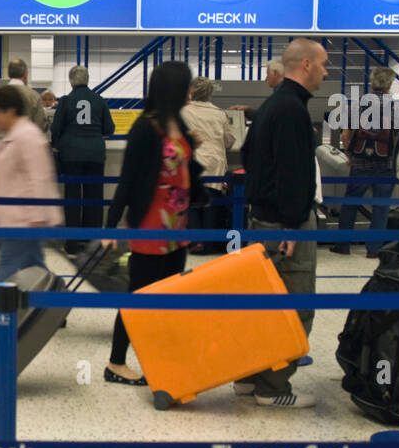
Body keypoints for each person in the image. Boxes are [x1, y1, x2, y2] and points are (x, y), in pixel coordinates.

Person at [236, 38, 328, 409]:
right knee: (294, 306)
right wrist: (291, 224)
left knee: (261, 306)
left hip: (263, 220)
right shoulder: (292, 109)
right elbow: (293, 172)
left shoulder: (274, 105)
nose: (326, 71)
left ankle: (248, 377)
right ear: (305, 64)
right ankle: (272, 386)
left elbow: (249, 157)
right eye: (322, 65)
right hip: (287, 227)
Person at [103, 61, 201, 386]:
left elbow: (186, 169)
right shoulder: (146, 128)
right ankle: (116, 362)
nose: (190, 91)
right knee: (139, 296)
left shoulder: (179, 123)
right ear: (174, 89)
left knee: (170, 295)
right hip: (150, 223)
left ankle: (162, 358)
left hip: (178, 226)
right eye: (186, 86)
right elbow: (128, 179)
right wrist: (109, 224)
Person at [0, 85, 63, 282]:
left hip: (23, 223)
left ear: (10, 111)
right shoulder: (13, 136)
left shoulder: (28, 136)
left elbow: (39, 178)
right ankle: (54, 305)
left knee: (4, 276)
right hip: (15, 221)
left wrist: (36, 218)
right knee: (36, 271)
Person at [333, 65, 398, 257]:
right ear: (390, 84)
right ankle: (374, 249)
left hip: (361, 161)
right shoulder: (397, 108)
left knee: (350, 203)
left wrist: (350, 155)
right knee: (381, 207)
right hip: (386, 164)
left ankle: (343, 245)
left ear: (372, 82)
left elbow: (345, 135)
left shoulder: (357, 105)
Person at [51, 66, 115, 255]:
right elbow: (109, 128)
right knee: (94, 198)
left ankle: (72, 244)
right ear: (87, 79)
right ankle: (92, 242)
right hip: (95, 154)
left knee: (72, 198)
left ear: (71, 81)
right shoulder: (99, 100)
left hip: (71, 154)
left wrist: (58, 144)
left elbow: (56, 129)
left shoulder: (66, 101)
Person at [181, 77, 234, 255]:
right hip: (215, 162)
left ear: (192, 91)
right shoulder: (220, 113)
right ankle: (211, 243)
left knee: (192, 203)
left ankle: (197, 242)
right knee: (212, 202)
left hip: (193, 161)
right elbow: (229, 141)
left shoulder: (184, 111)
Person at [0, 58, 47, 137]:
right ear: (25, 74)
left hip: (0, 144)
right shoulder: (34, 96)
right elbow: (40, 126)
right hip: (25, 144)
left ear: (9, 74)